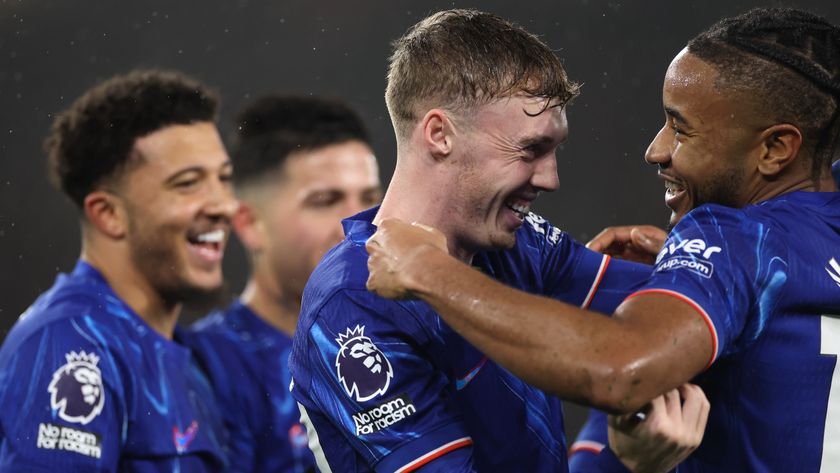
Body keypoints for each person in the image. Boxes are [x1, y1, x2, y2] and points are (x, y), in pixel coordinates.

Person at [366, 7, 840, 471]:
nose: (656, 150)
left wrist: (429, 270)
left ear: (776, 149)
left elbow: (621, 370)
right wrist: (690, 278)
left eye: (682, 128)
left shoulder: (737, 237)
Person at [289, 9, 707, 473]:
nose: (551, 179)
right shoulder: (352, 302)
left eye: (555, 150)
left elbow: (676, 322)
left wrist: (690, 258)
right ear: (440, 134)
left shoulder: (517, 246)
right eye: (531, 150)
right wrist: (625, 464)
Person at [0, 70, 236, 471]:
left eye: (224, 179)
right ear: (109, 214)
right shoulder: (72, 346)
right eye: (188, 183)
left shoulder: (187, 360)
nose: (224, 205)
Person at [185, 95, 382, 473]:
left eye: (370, 199)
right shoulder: (207, 368)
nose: (359, 224)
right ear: (248, 224)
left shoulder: (411, 337)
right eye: (325, 200)